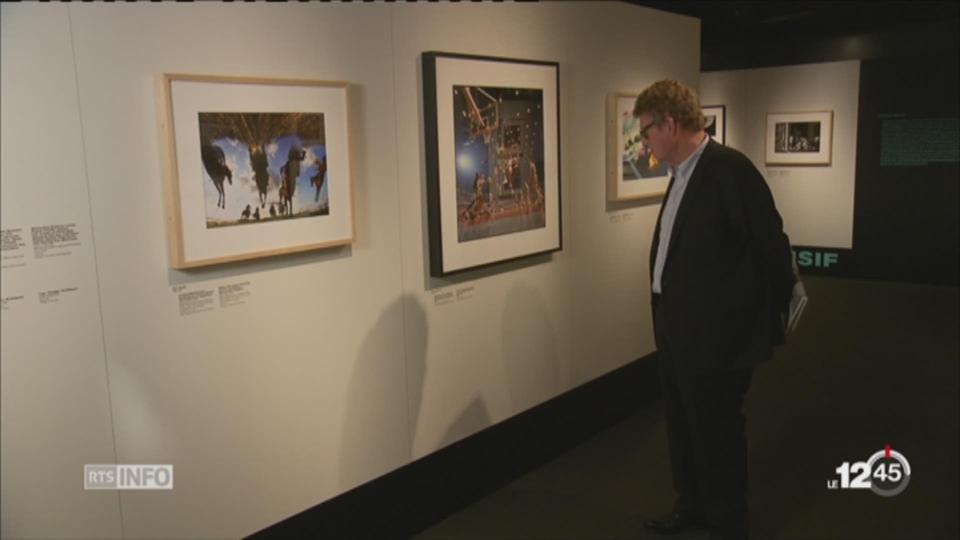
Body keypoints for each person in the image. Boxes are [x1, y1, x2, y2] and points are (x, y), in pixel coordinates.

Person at [633, 80, 795, 540]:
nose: (643, 141)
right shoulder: (681, 176)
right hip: (676, 327)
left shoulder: (729, 171)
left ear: (670, 123)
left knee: (717, 429)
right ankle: (693, 507)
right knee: (684, 423)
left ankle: (727, 521)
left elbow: (771, 249)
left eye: (646, 131)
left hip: (718, 336)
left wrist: (755, 325)